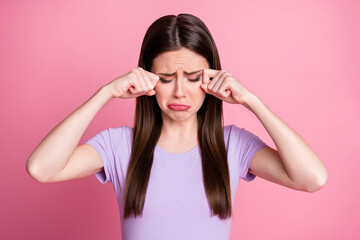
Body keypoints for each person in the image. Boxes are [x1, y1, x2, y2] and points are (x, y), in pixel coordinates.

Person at [26, 13, 328, 240]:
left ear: (210, 78)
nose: (180, 92)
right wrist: (106, 93)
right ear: (147, 78)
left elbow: (312, 178)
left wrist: (251, 101)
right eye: (166, 78)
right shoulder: (120, 146)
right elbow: (41, 168)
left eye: (194, 77)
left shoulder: (232, 145)